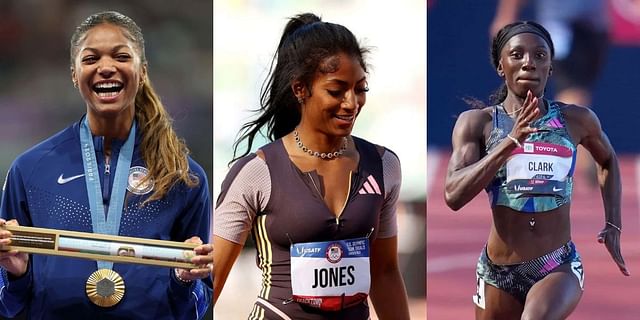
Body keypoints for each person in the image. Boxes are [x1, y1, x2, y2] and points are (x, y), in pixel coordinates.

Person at [0, 11, 213, 319]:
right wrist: (16, 275)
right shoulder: (29, 170)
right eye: (90, 59)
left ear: (142, 71)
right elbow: (7, 304)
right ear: (74, 74)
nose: (106, 68)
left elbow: (195, 306)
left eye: (121, 56)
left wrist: (184, 280)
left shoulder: (183, 176)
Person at [213, 13, 410, 320]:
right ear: (300, 89)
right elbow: (209, 282)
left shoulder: (384, 165)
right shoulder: (256, 173)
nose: (351, 103)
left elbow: (384, 272)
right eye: (336, 91)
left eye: (360, 89)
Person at [445, 21, 628, 319]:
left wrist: (614, 224)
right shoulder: (479, 124)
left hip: (556, 265)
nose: (529, 62)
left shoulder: (576, 120)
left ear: (550, 68)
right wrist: (509, 142)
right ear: (501, 67)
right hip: (497, 273)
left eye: (540, 56)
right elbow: (453, 195)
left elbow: (608, 160)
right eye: (517, 55)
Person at [490, 0, 609, 186]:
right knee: (571, 90)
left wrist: (505, 16)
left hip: (594, 28)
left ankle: (577, 157)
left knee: (578, 93)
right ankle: (570, 160)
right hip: (560, 27)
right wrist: (505, 15)